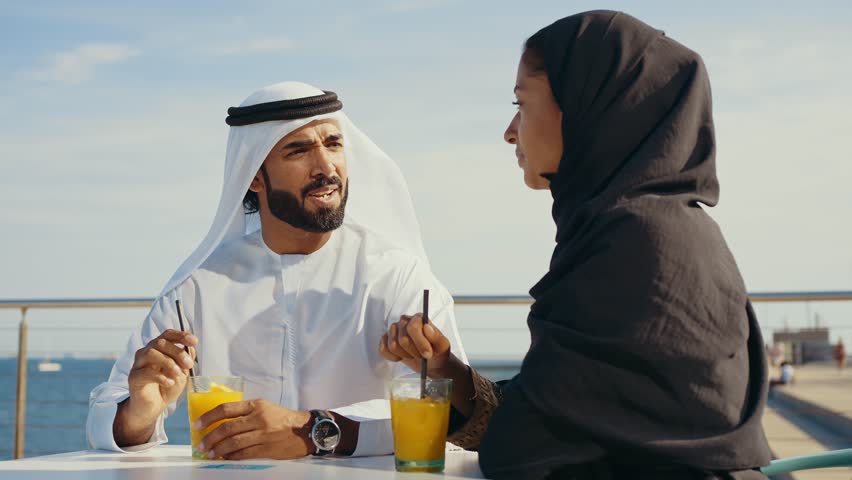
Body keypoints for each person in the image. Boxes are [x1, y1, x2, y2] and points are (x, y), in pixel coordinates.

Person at [380, 10, 771, 479]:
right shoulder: (654, 228)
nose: (510, 131)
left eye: (522, 104)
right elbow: (567, 420)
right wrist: (447, 371)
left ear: (586, 109)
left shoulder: (633, 243)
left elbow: (524, 449)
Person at [86, 81, 467, 460]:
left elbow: (448, 420)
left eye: (333, 144)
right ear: (253, 176)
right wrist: (139, 413)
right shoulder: (197, 287)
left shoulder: (397, 276)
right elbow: (104, 420)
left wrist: (315, 431)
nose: (326, 167)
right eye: (298, 151)